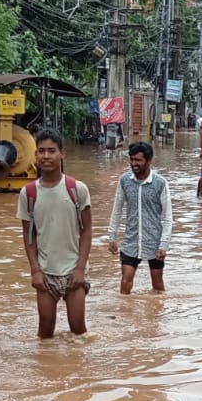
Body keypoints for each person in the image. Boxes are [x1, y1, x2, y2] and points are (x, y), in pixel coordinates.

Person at [17, 128, 93, 338]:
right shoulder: (28, 194)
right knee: (45, 331)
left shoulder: (77, 189)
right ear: (35, 155)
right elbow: (28, 236)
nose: (46, 156)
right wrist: (35, 270)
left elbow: (86, 232)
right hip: (45, 271)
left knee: (78, 330)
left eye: (52, 151)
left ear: (62, 154)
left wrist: (80, 268)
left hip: (73, 269)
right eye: (41, 151)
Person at [107, 141, 172, 295]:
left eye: (138, 160)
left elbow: (167, 217)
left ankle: (156, 316)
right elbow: (117, 210)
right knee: (125, 283)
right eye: (132, 160)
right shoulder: (124, 181)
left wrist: (164, 244)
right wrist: (112, 236)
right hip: (131, 240)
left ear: (149, 161)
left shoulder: (160, 183)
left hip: (154, 241)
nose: (134, 164)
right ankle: (125, 316)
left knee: (157, 286)